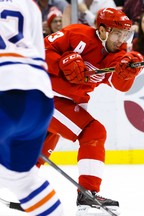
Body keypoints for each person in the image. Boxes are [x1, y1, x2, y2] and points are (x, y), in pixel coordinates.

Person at [38, 7, 144, 215]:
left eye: (125, 34)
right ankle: (88, 195)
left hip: (67, 103)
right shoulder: (77, 34)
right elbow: (38, 52)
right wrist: (60, 64)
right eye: (117, 33)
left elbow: (119, 84)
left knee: (39, 150)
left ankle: (22, 187)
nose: (121, 39)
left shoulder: (117, 55)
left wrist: (128, 72)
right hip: (44, 95)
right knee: (93, 132)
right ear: (103, 31)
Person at [0, 0, 63, 216]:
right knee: (20, 179)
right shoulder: (29, 5)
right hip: (40, 98)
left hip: (4, 90)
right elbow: (39, 54)